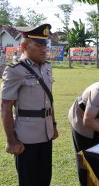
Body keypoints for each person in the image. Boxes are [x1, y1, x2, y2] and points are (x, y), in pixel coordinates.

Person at [0, 24, 58, 186]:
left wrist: (53, 124)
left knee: (45, 179)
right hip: (26, 138)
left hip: (46, 134)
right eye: (38, 45)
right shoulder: (15, 70)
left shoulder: (47, 67)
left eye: (45, 45)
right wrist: (11, 141)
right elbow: (5, 107)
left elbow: (49, 100)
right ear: (24, 46)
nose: (43, 50)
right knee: (29, 181)